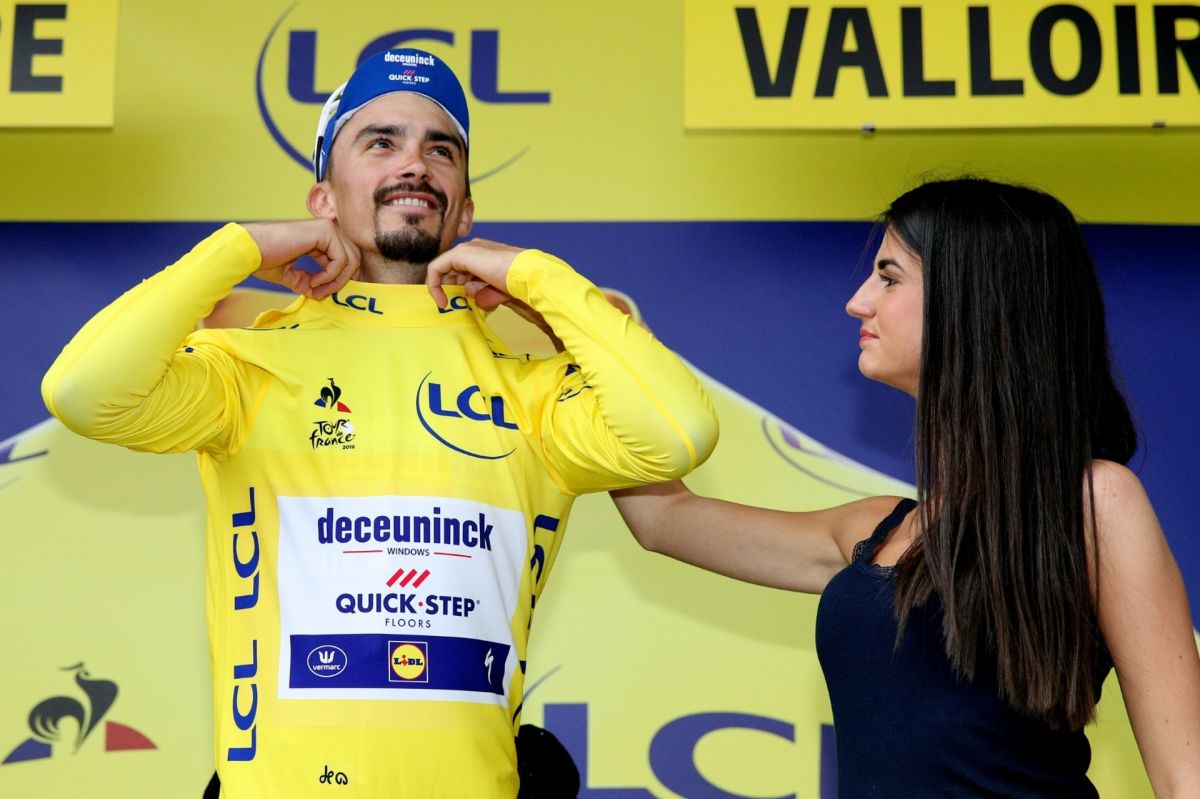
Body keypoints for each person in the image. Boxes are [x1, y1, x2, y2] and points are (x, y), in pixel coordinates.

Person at [42, 48, 717, 798]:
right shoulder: (251, 365)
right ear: (323, 199)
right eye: (381, 142)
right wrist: (241, 248)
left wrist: (537, 276)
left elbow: (679, 432)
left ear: (465, 210)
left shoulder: (530, 388)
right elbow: (83, 391)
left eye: (441, 149)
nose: (414, 164)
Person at [611, 178, 1200, 797]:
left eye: (889, 278)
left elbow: (1185, 776)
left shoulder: (1096, 503)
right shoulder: (874, 529)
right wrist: (605, 357)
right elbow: (663, 520)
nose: (857, 302)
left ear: (973, 300)